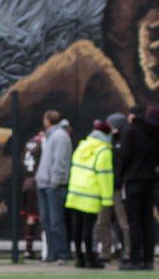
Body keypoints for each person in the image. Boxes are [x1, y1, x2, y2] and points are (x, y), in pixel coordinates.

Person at [117, 106, 159, 270]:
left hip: (133, 180)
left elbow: (124, 155)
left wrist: (122, 175)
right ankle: (148, 259)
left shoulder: (131, 131)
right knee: (147, 222)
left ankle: (135, 259)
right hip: (149, 180)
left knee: (134, 221)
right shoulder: (156, 134)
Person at [65, 120, 114, 269]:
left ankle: (79, 257)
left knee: (78, 226)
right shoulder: (103, 151)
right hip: (91, 194)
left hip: (75, 191)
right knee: (88, 227)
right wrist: (107, 201)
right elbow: (105, 176)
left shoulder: (82, 146)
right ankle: (90, 258)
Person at [35, 111, 72, 264]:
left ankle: (62, 253)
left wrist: (55, 181)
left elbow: (60, 162)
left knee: (56, 220)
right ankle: (51, 253)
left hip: (53, 185)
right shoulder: (49, 136)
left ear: (48, 120)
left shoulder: (60, 137)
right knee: (47, 221)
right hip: (44, 182)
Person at [100, 112, 131, 264]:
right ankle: (106, 252)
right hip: (106, 187)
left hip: (118, 187)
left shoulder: (125, 142)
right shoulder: (107, 142)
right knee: (102, 221)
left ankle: (128, 251)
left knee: (123, 221)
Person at [20, 128, 43, 259]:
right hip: (38, 182)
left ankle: (28, 248)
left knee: (30, 217)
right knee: (42, 216)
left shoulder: (29, 143)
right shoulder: (44, 144)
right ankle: (47, 248)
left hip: (27, 181)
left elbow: (22, 161)